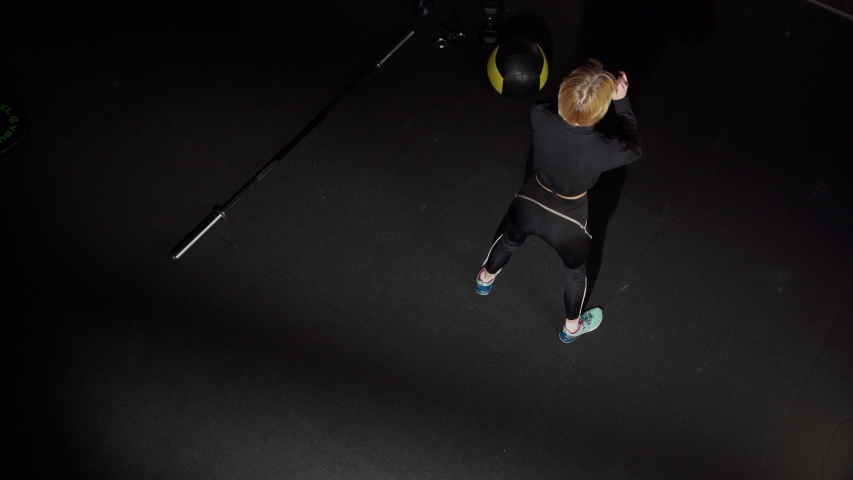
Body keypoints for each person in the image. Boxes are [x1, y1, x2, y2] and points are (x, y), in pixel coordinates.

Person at [475, 59, 641, 343]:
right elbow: (634, 147)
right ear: (601, 110)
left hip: (529, 201)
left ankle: (485, 279)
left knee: (509, 240)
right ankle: (571, 328)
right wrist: (622, 103)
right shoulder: (606, 150)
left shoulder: (539, 114)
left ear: (565, 89)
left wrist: (580, 90)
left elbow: (560, 106)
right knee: (576, 274)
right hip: (568, 222)